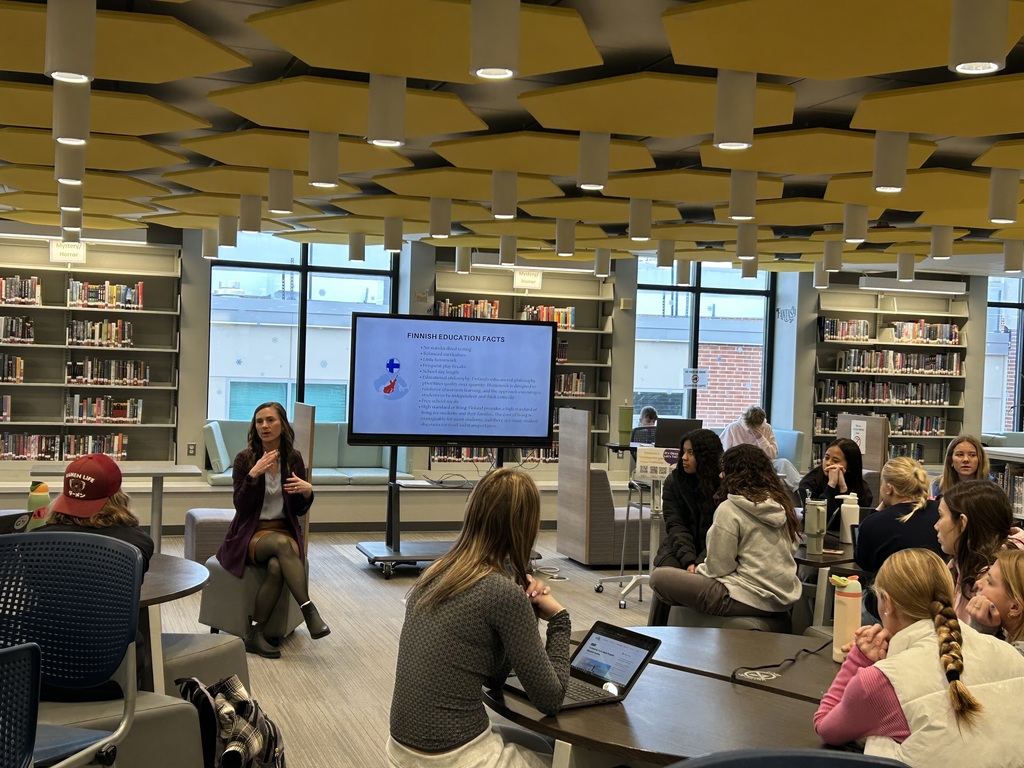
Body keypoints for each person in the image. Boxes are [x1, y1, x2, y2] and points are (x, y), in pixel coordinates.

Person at [388, 468, 569, 768]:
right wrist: (560, 621)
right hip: (451, 756)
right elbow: (550, 700)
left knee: (540, 744)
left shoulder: (438, 573)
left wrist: (520, 623)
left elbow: (492, 676)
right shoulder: (499, 591)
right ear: (523, 526)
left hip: (402, 749)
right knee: (566, 760)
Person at [814, 548, 1024, 766]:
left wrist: (859, 658)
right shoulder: (1012, 655)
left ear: (887, 603)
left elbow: (825, 726)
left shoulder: (880, 682)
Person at [33, 452, 155, 699]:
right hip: (109, 679)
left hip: (38, 678)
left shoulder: (33, 545)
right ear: (117, 495)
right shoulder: (137, 544)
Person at [216, 401, 329, 658]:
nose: (264, 426)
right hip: (251, 532)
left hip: (283, 529)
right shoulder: (245, 459)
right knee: (279, 545)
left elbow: (298, 510)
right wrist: (252, 476)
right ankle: (309, 609)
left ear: (282, 424)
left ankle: (255, 633)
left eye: (270, 420)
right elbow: (241, 507)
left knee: (277, 566)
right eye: (259, 421)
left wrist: (308, 492)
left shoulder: (293, 459)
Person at [649, 444, 801, 620]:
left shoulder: (730, 508)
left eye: (724, 471)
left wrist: (698, 571)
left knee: (660, 577)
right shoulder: (783, 506)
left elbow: (719, 568)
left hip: (743, 596)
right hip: (782, 600)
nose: (721, 476)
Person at [648, 429, 724, 625]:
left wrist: (700, 562)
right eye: (683, 452)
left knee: (702, 577)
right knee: (667, 574)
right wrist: (689, 560)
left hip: (716, 549)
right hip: (681, 547)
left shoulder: (724, 486)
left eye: (691, 453)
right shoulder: (674, 481)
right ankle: (657, 631)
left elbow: (721, 531)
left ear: (705, 456)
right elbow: (675, 525)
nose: (684, 458)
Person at [855, 457, 942, 621]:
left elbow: (863, 562)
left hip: (893, 608)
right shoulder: (941, 512)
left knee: (862, 595)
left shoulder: (875, 523)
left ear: (888, 488)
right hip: (935, 603)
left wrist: (877, 512)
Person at [935, 479, 1024, 622]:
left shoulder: (992, 583)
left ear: (962, 523)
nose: (936, 526)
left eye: (940, 516)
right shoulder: (961, 563)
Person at [798, 438, 873, 532]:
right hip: (813, 535)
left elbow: (850, 524)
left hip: (846, 538)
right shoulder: (809, 483)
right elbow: (818, 520)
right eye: (826, 457)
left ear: (849, 466)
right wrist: (831, 485)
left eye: (836, 461)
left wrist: (843, 488)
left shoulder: (862, 490)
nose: (828, 463)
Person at [966, 549, 1024, 657]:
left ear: (1015, 607)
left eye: (989, 582)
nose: (978, 583)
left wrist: (980, 632)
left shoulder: (1017, 658)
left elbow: (974, 670)